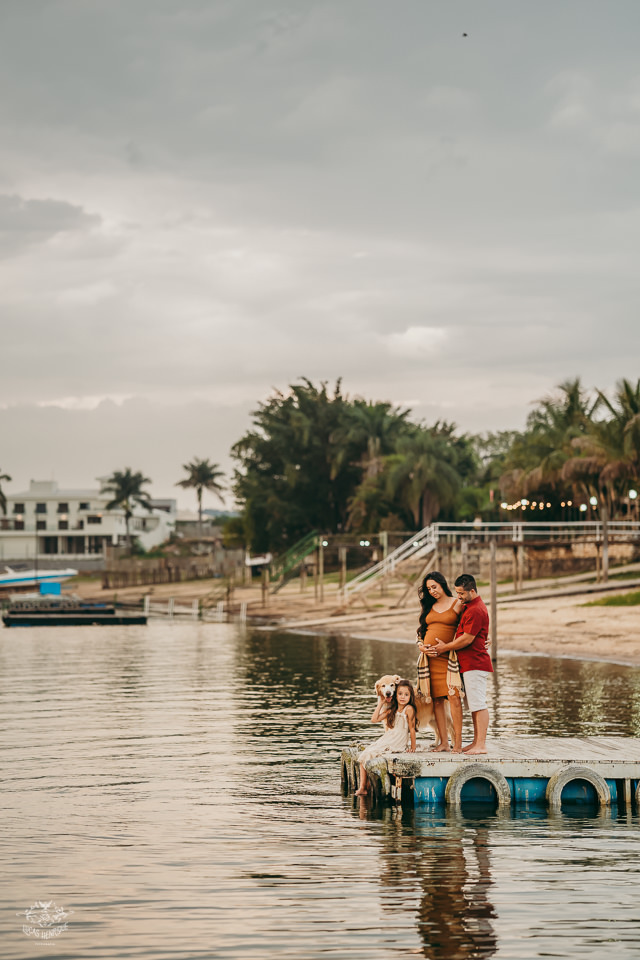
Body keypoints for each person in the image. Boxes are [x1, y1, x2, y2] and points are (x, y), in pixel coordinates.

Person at [431, 573, 493, 755]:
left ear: (472, 591)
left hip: (476, 663)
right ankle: (476, 742)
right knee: (473, 704)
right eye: (457, 593)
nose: (459, 597)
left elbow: (467, 638)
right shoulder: (469, 606)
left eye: (461, 593)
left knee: (479, 704)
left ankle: (481, 745)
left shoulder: (476, 609)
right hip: (468, 663)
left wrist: (444, 648)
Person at [415, 571, 464, 752]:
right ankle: (443, 742)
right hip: (429, 661)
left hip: (449, 657)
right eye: (429, 589)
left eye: (434, 586)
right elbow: (421, 632)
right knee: (436, 700)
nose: (432, 591)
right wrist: (421, 646)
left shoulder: (457, 603)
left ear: (443, 584)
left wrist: (485, 637)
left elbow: (470, 624)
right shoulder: (429, 606)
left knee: (454, 698)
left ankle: (457, 744)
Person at [355, 679, 417, 795]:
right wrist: (381, 703)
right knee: (365, 754)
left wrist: (413, 747)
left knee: (370, 753)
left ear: (410, 696)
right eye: (400, 694)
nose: (403, 697)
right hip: (389, 737)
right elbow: (374, 719)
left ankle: (364, 787)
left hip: (398, 741)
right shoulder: (391, 710)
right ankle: (364, 786)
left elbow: (412, 729)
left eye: (406, 694)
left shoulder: (408, 709)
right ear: (395, 695)